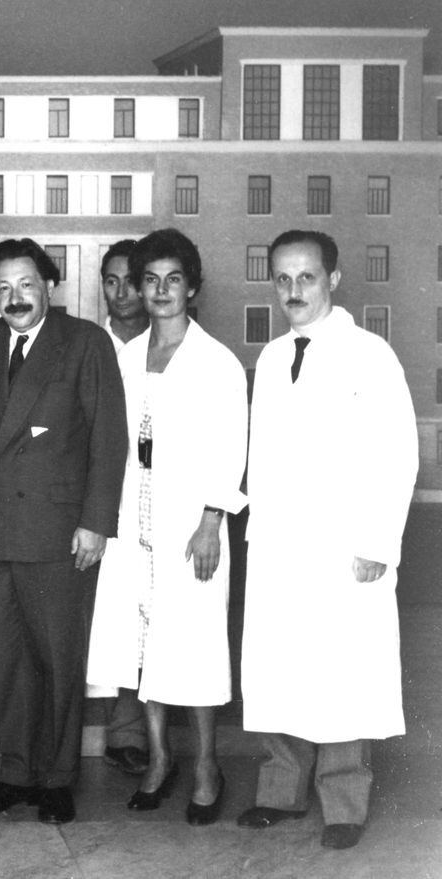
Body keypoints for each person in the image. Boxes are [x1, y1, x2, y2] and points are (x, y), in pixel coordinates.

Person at [236, 230, 417, 851]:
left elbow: (398, 455)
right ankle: (280, 792)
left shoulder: (370, 354)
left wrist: (376, 542)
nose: (293, 291)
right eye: (282, 279)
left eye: (306, 277)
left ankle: (343, 802)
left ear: (333, 280)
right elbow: (260, 457)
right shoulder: (269, 357)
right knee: (281, 668)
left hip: (343, 546)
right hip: (282, 546)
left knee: (341, 672)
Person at [85, 229, 248, 826]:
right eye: (147, 280)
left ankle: (205, 765)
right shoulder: (125, 357)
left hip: (190, 527)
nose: (157, 291)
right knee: (143, 648)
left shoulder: (217, 361)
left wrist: (211, 521)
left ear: (193, 287)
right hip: (135, 523)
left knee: (196, 646)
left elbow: (233, 446)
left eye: (171, 280)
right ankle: (159, 761)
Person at [0, 238, 127, 825]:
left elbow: (110, 441)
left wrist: (95, 523)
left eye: (25, 285)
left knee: (58, 659)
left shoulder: (84, 342)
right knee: (3, 659)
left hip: (60, 531)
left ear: (49, 286)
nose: (14, 298)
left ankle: (57, 778)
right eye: (2, 288)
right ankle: (14, 772)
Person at [86, 238, 152, 777]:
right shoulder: (86, 343)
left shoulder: (167, 345)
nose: (122, 292)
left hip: (154, 502)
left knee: (144, 616)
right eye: (111, 280)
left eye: (132, 279)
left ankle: (131, 731)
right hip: (94, 500)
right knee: (103, 618)